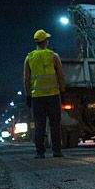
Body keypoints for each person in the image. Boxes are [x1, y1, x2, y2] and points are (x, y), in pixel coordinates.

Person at [23, 29, 66, 158]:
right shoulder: (54, 56)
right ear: (46, 42)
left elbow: (26, 79)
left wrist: (28, 96)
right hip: (53, 95)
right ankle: (57, 151)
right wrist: (62, 92)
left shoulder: (29, 57)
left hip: (37, 98)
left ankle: (40, 152)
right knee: (55, 125)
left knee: (39, 125)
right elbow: (60, 76)